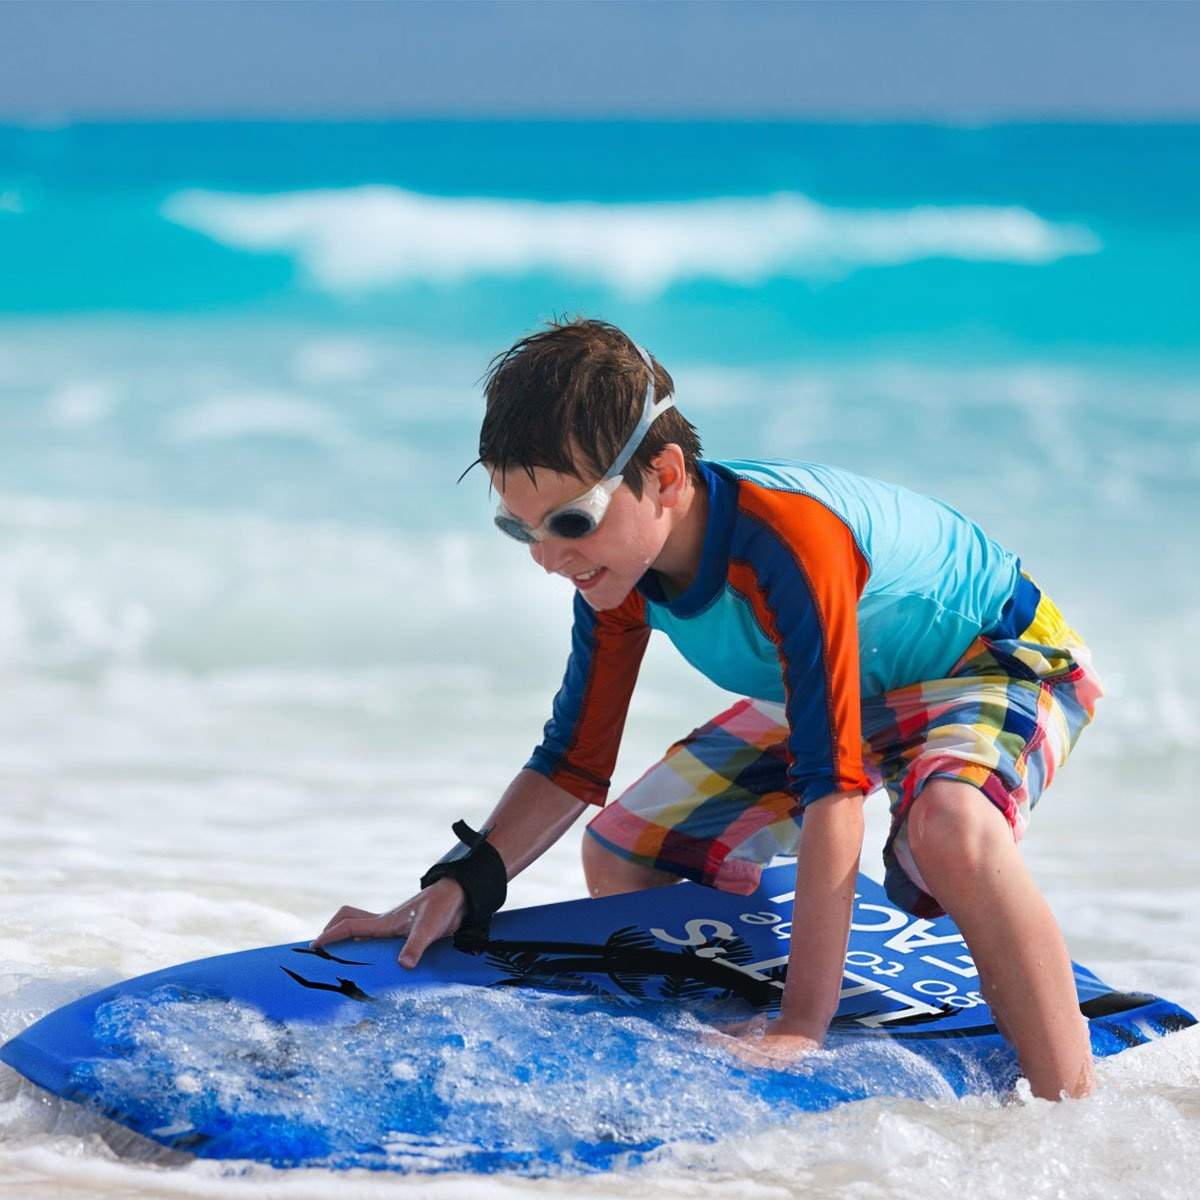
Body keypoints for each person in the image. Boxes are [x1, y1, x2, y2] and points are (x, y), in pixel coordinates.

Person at [315, 318, 1102, 1100]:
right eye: (520, 527)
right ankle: (727, 1028)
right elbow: (573, 764)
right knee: (625, 849)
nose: (549, 558)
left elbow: (835, 792)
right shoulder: (618, 575)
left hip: (996, 664)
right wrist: (464, 881)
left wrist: (805, 1021)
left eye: (571, 522)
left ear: (663, 477)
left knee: (949, 831)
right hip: (849, 687)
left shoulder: (789, 542)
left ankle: (1070, 1105)